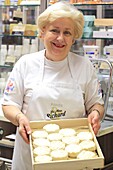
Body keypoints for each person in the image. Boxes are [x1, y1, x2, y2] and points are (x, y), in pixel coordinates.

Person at [2, 1, 104, 170]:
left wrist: (95, 113)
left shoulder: (84, 66)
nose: (60, 38)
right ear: (42, 32)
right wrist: (20, 118)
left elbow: (96, 103)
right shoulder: (25, 64)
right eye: (54, 30)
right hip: (30, 155)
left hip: (73, 158)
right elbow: (9, 104)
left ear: (74, 38)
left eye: (67, 32)